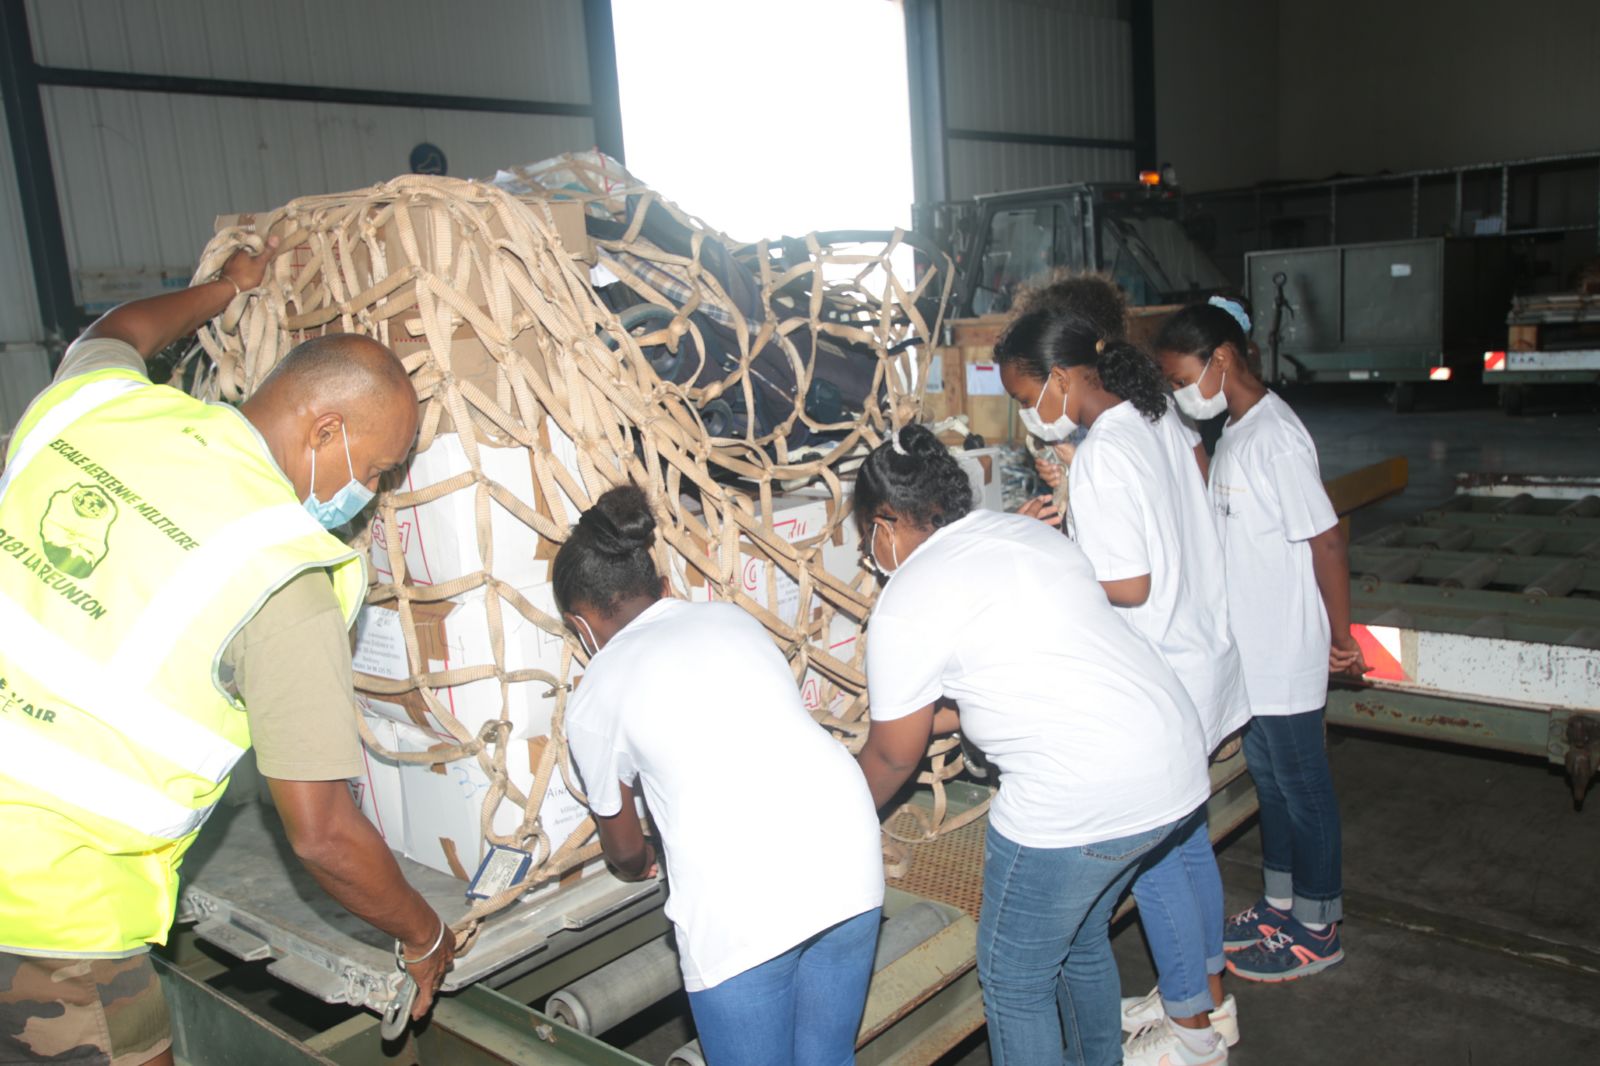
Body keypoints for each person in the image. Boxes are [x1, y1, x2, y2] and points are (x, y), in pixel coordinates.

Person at [0, 241, 455, 1066]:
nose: (375, 496)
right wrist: (424, 936)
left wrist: (223, 289)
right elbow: (321, 834)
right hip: (49, 919)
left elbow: (119, 328)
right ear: (324, 429)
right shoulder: (283, 576)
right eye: (380, 470)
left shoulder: (93, 406)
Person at [852, 424, 1210, 1066]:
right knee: (1078, 942)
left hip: (1079, 796)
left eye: (865, 537)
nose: (868, 552)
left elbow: (892, 756)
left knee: (1016, 980)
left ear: (886, 522)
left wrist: (841, 814)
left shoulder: (908, 596)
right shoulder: (1022, 533)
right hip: (1173, 757)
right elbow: (1004, 684)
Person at [994, 310, 1249, 1066]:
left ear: (1066, 379)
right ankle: (1205, 997)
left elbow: (1127, 585)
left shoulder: (1106, 452)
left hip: (1162, 668)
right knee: (1188, 844)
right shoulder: (1154, 414)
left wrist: (1051, 546)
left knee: (1161, 864)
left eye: (1024, 391)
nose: (1022, 410)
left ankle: (1192, 1036)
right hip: (1202, 651)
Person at [554, 485, 883, 1066]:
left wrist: (645, 859)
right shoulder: (731, 619)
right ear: (663, 589)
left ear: (581, 626)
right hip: (846, 845)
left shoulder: (595, 694)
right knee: (827, 1057)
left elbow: (626, 852)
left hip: (740, 898)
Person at [1154, 301, 1366, 984]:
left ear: (1222, 358)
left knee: (1305, 789)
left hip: (1287, 650)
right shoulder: (1236, 431)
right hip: (1251, 653)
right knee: (1272, 784)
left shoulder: (1276, 436)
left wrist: (1342, 636)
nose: (1183, 395)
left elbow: (1327, 538)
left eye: (1184, 378)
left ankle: (1320, 926)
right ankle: (1281, 905)